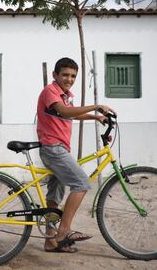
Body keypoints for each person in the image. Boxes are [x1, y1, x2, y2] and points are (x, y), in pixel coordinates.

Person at [37, 57, 116, 253]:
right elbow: (64, 111)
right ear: (55, 75)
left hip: (59, 148)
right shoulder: (50, 91)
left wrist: (95, 117)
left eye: (73, 76)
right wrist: (95, 106)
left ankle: (50, 241)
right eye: (65, 75)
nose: (69, 79)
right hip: (53, 148)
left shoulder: (65, 94)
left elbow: (71, 113)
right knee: (81, 183)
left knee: (55, 195)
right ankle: (63, 232)